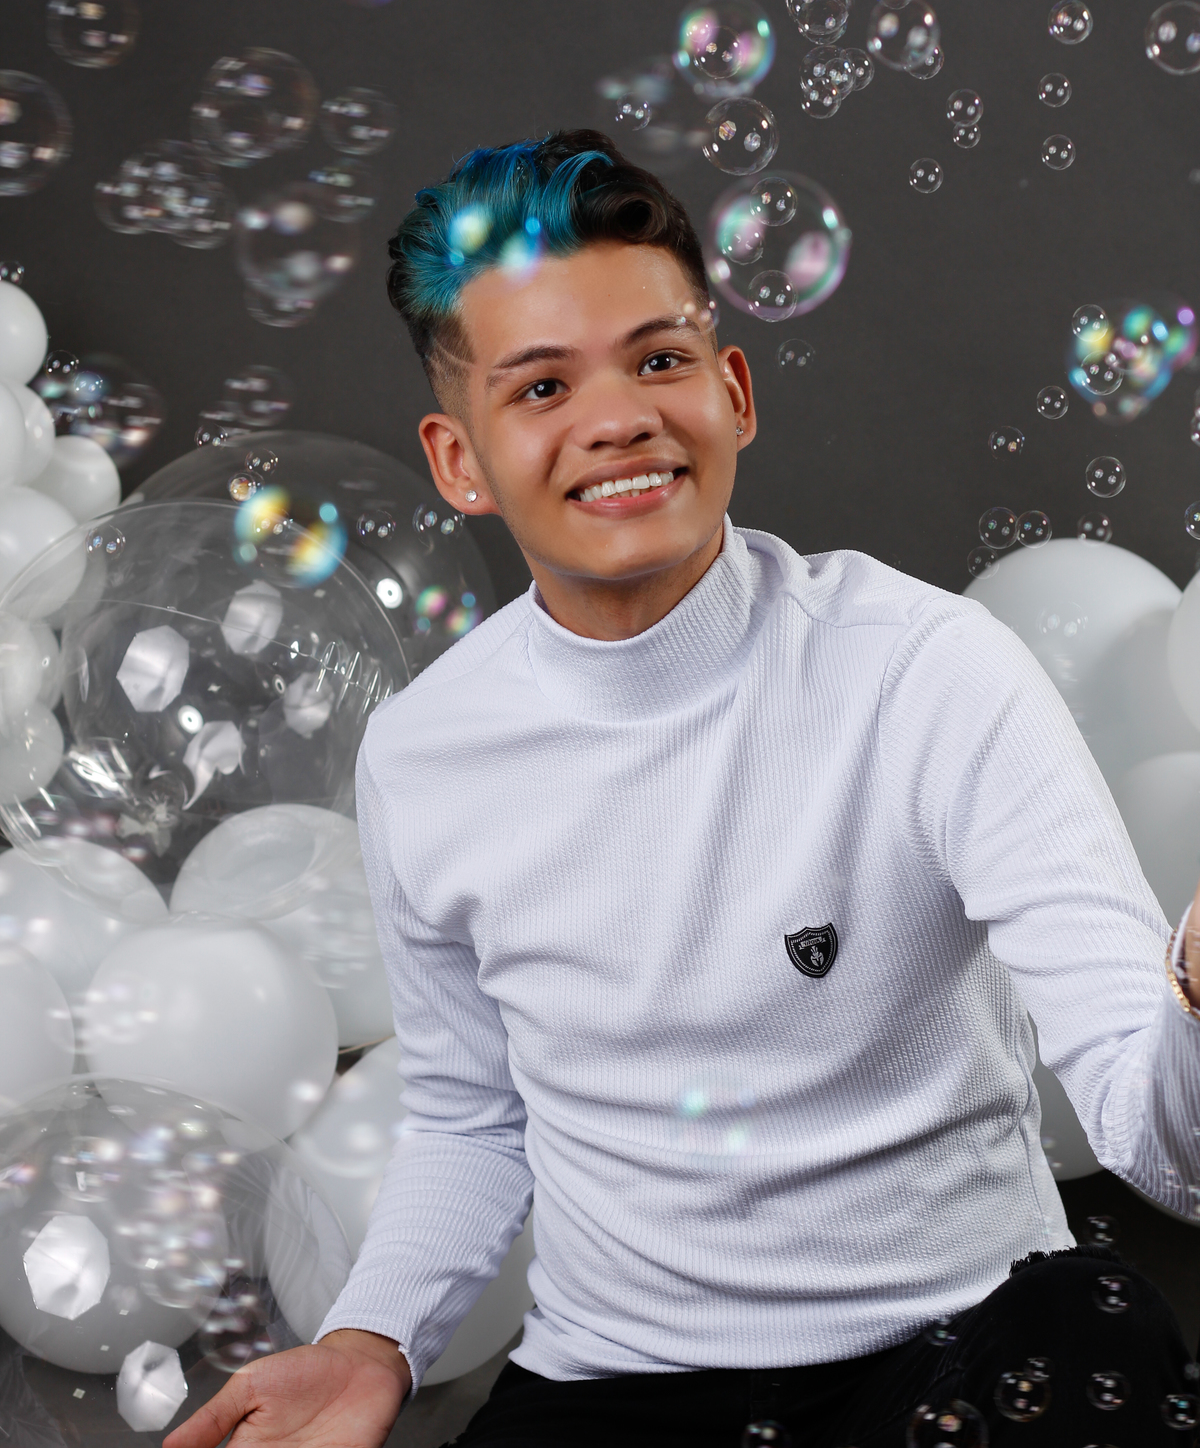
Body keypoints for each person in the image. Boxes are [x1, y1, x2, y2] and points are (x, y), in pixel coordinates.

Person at [166, 130, 1200, 1448]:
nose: (618, 419)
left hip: (959, 1351)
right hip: (620, 1392)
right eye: (543, 387)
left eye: (660, 360)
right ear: (459, 460)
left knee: (1103, 1326)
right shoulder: (425, 754)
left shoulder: (929, 671)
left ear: (735, 391)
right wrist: (369, 1337)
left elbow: (1164, 1145)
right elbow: (474, 1122)